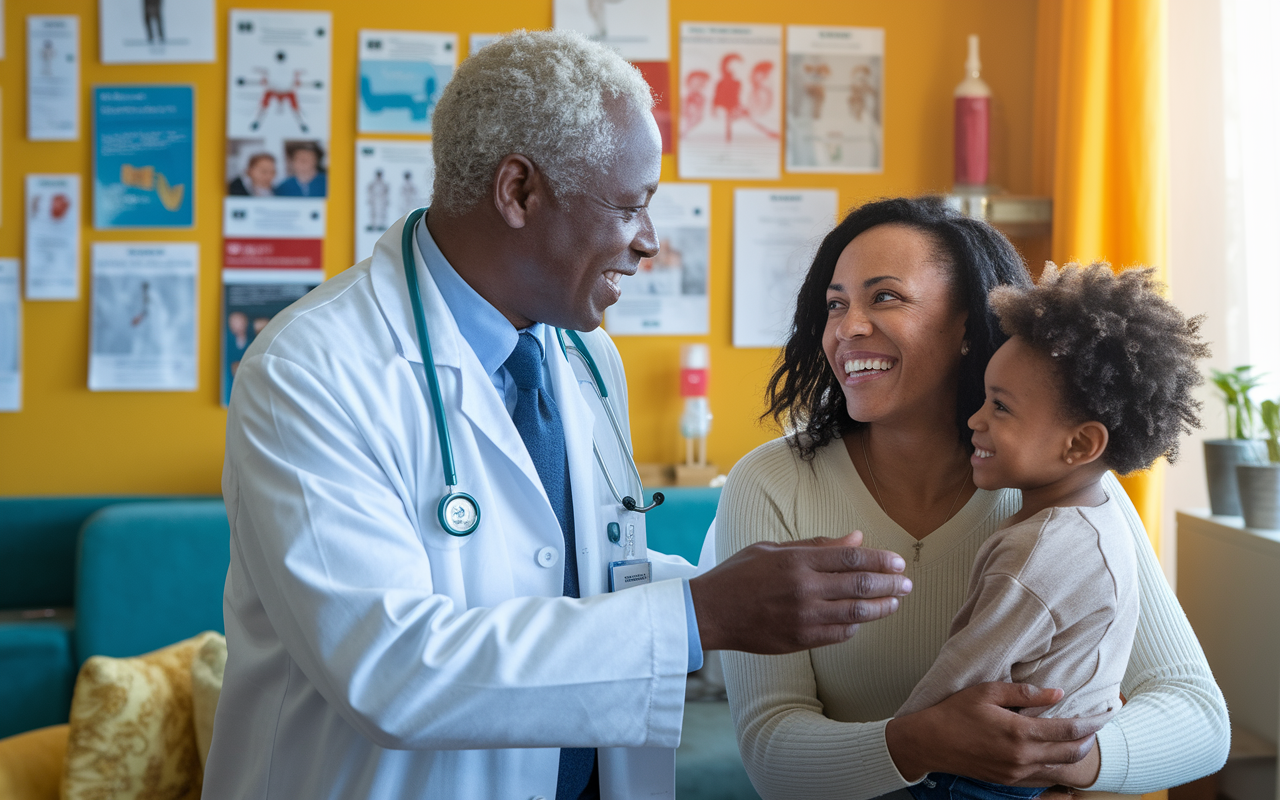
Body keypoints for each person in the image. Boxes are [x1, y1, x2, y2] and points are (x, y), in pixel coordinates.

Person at [204, 30, 911, 800]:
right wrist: (700, 615)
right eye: (631, 206)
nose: (648, 242)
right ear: (519, 192)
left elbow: (579, 574)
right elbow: (391, 670)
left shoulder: (582, 357)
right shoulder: (312, 369)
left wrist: (754, 586)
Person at [716, 197, 1229, 799]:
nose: (847, 327)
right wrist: (920, 742)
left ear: (968, 324)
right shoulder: (770, 485)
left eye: (885, 297)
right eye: (835, 304)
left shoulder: (1072, 491)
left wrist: (1060, 760)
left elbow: (1198, 717)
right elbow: (771, 753)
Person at [898, 262, 1210, 800]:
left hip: (980, 780)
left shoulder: (1036, 552)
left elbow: (965, 671)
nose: (975, 420)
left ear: (1079, 445)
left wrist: (898, 746)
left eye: (1000, 407)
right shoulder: (1103, 521)